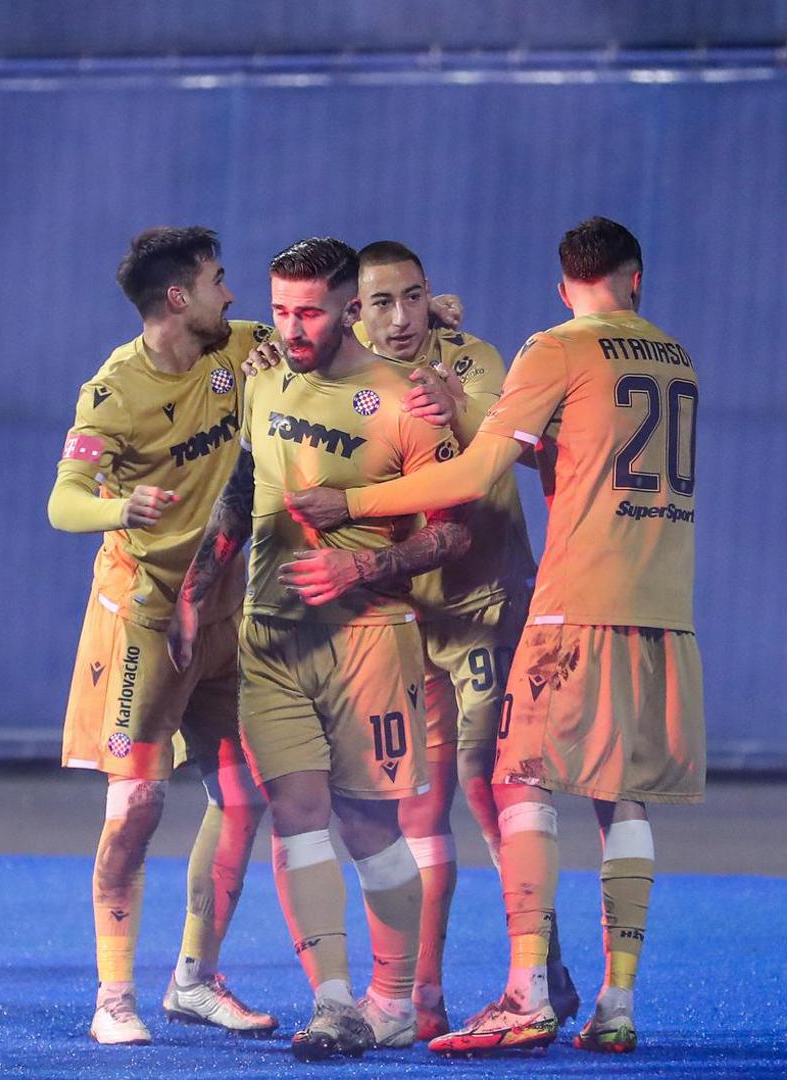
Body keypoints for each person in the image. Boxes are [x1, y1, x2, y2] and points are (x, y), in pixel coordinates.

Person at [287, 217, 702, 1056]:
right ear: (637, 279)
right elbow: (556, 450)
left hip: (562, 604)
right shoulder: (676, 358)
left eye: (414, 298)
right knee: (619, 794)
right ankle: (613, 1003)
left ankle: (527, 990)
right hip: (661, 606)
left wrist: (354, 505)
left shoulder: (546, 349)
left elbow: (482, 469)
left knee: (517, 780)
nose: (402, 314)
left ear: (562, 286)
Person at [173, 236, 471, 1061]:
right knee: (297, 817)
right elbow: (243, 488)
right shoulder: (265, 376)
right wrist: (196, 594)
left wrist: (363, 563)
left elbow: (453, 533)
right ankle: (334, 1003)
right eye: (280, 311)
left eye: (309, 311)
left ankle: (394, 1000)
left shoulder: (407, 399)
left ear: (350, 307)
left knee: (368, 823)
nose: (291, 328)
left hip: (369, 641)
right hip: (270, 639)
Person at [339, 240, 577, 1038]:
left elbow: (502, 455)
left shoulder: (473, 359)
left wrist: (463, 408)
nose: (402, 316)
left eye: (414, 296)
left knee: (487, 784)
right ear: (355, 310)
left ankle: (538, 972)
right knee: (419, 805)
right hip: (407, 620)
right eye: (382, 302)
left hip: (486, 604)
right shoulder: (341, 375)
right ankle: (425, 996)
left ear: (431, 293)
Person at [48, 226, 279, 1045]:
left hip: (222, 610)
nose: (232, 295)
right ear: (179, 297)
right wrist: (121, 507)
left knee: (244, 798)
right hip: (146, 620)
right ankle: (113, 998)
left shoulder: (239, 347)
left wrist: (432, 323)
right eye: (219, 279)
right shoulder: (113, 392)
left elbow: (332, 329)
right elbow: (63, 502)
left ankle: (194, 980)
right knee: (138, 806)